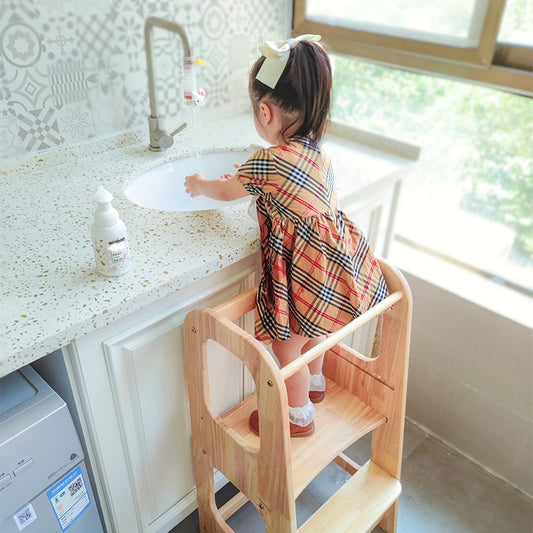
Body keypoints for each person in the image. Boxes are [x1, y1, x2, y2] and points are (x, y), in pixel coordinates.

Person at [184, 35, 388, 437]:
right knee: (315, 331)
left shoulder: (268, 160)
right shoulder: (318, 153)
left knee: (285, 349)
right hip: (329, 270)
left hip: (299, 274)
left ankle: (297, 416)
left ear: (265, 111)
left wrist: (201, 184)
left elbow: (227, 192)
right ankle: (315, 385)